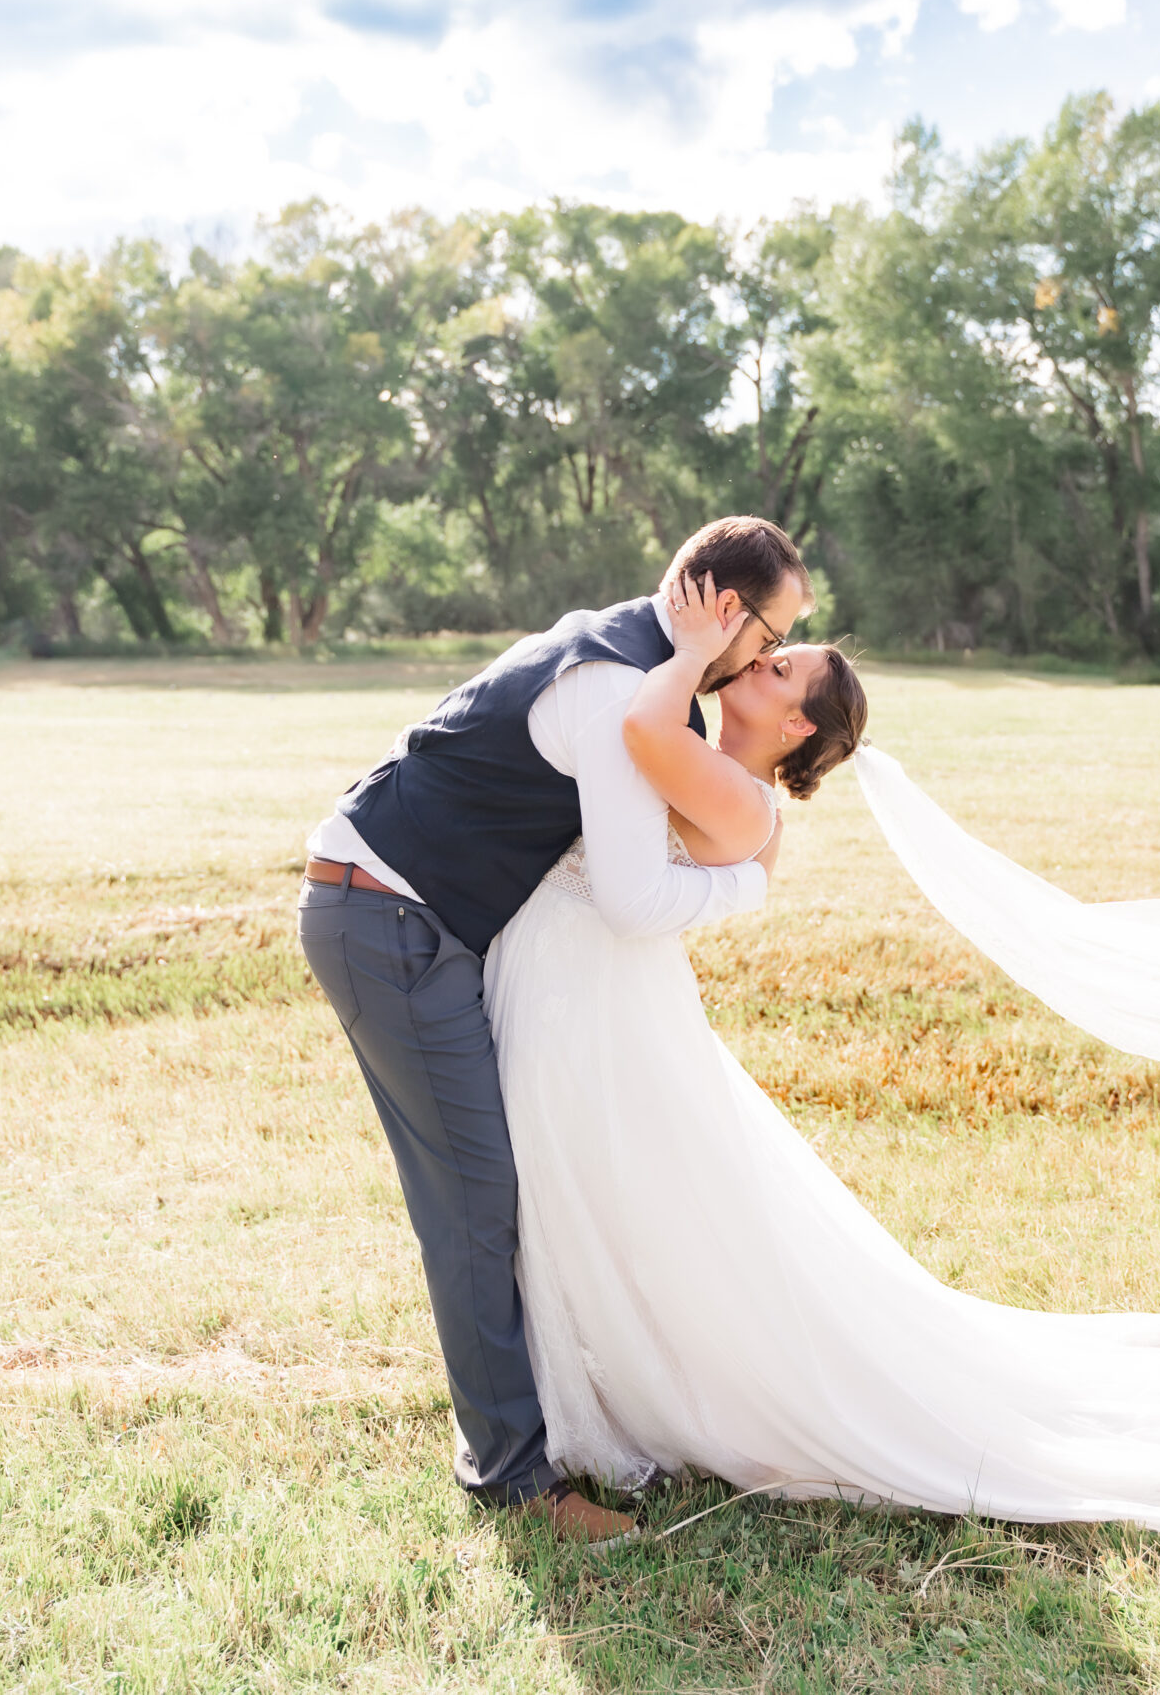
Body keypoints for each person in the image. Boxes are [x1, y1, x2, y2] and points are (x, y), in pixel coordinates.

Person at [484, 576, 1160, 1532]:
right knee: (609, 1195)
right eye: (772, 651)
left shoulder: (732, 786)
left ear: (798, 730)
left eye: (778, 666)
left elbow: (641, 743)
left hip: (596, 995)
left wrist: (686, 647)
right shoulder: (702, 745)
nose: (757, 661)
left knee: (614, 1191)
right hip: (591, 993)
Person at [297, 516, 811, 1548]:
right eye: (769, 633)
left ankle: (532, 1424)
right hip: (387, 920)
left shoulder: (622, 649)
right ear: (722, 610)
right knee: (476, 1196)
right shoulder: (620, 687)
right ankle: (514, 1480)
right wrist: (745, 886)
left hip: (405, 912)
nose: (764, 656)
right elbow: (628, 898)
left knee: (495, 1183)